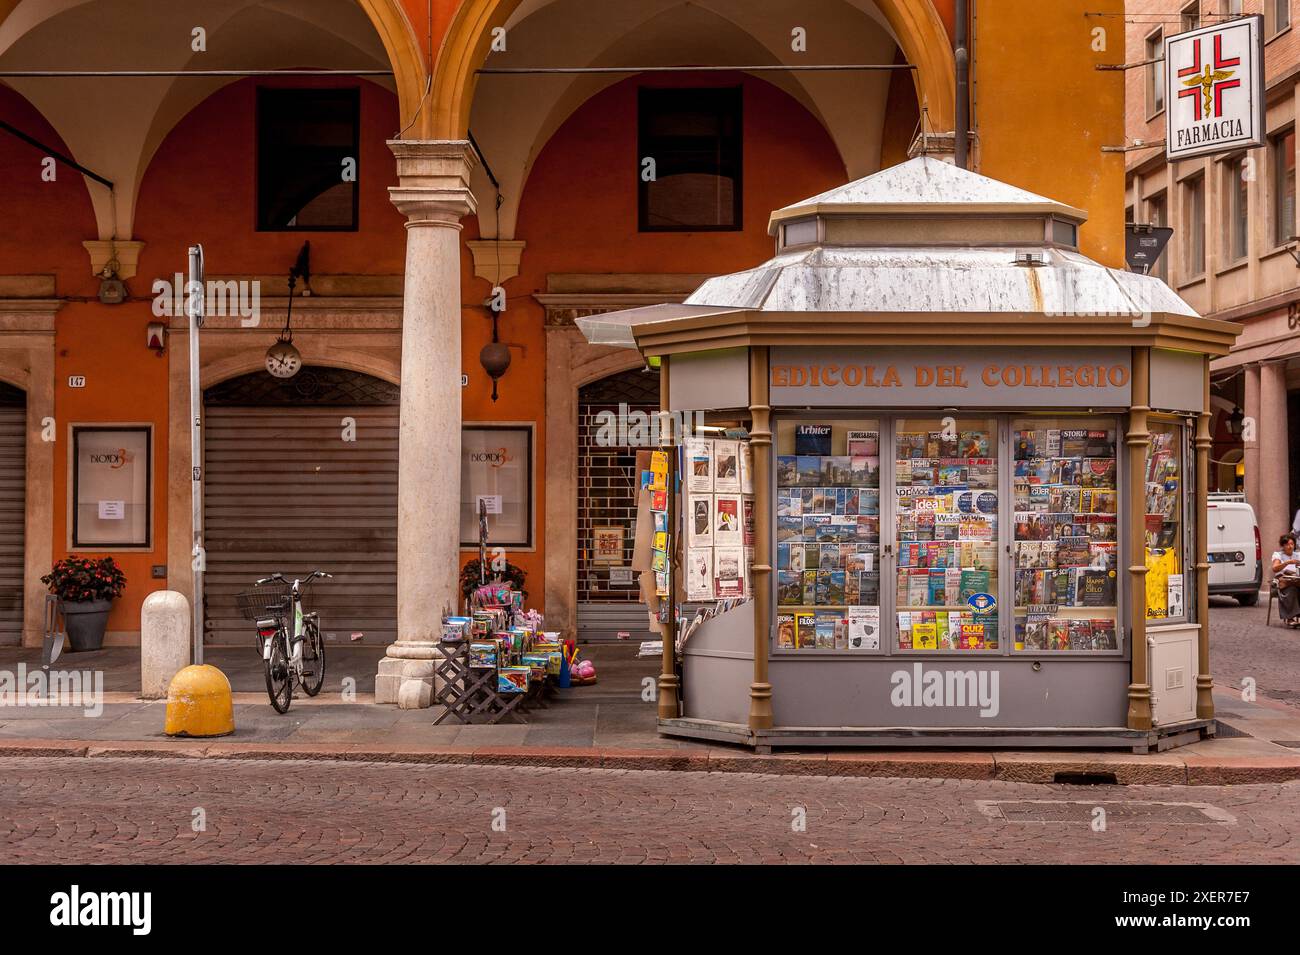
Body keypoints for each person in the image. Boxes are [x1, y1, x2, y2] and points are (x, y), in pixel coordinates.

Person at [1272, 534, 1300, 626]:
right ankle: (1289, 618)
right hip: (1284, 583)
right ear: (1283, 546)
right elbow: (1275, 568)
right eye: (1287, 544)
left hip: (1297, 581)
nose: (1290, 546)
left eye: (1292, 544)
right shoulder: (1278, 555)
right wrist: (1287, 563)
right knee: (1291, 589)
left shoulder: (1298, 555)